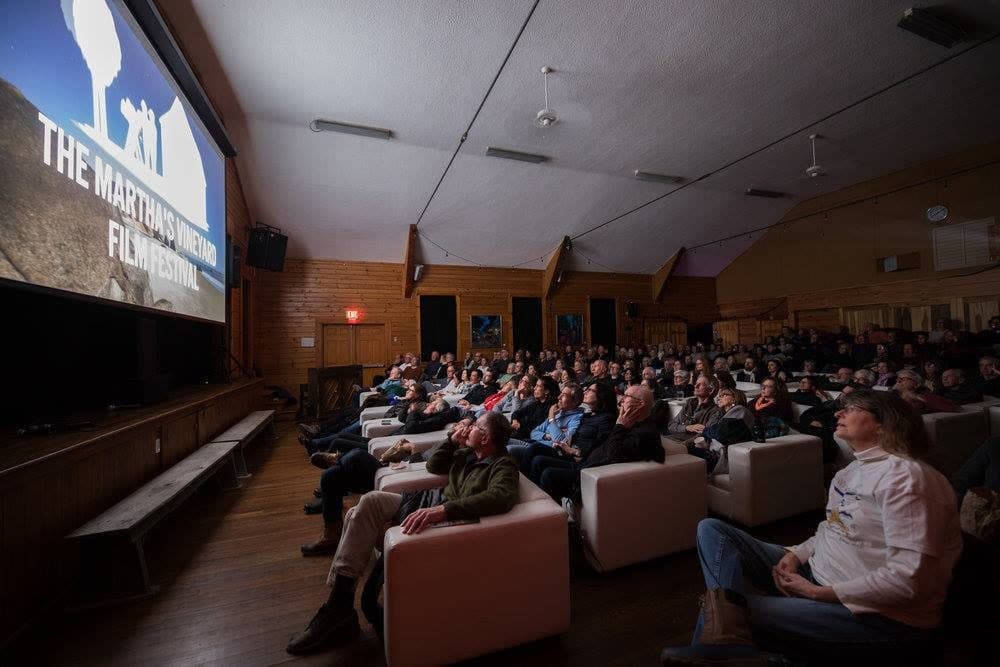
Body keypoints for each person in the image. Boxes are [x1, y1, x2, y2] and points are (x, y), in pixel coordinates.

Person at [660, 390, 963, 665]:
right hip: (816, 575)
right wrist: (796, 556)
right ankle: (729, 644)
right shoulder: (855, 469)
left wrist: (820, 593)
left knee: (729, 610)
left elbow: (909, 581)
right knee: (713, 531)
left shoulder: (908, 478)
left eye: (850, 409)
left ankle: (728, 644)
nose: (836, 414)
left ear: (883, 424)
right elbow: (830, 529)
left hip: (876, 617)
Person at [287, 412, 519, 655]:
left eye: (475, 426)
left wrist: (444, 510)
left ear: (486, 437)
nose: (469, 427)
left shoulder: (503, 464)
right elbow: (434, 465)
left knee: (360, 513)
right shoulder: (466, 453)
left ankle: (337, 610)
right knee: (368, 503)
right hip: (424, 500)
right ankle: (340, 604)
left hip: (441, 513)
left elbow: (500, 497)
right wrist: (451, 441)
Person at [537, 385, 662, 502]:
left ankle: (556, 518)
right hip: (585, 463)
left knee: (548, 474)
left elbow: (613, 453)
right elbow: (601, 444)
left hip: (591, 474)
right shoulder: (629, 423)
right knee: (539, 460)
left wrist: (620, 425)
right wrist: (574, 450)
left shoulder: (645, 431)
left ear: (640, 404)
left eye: (627, 397)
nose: (621, 400)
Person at [688, 388, 754, 475]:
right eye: (719, 396)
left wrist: (705, 429)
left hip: (725, 457)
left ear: (734, 398)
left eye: (724, 395)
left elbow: (720, 433)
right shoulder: (725, 414)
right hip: (717, 452)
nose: (719, 398)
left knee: (687, 451)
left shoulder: (740, 410)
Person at [665, 376, 722, 444]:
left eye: (701, 384)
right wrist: (686, 428)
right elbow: (671, 426)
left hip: (687, 445)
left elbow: (703, 436)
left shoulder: (716, 411)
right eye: (696, 383)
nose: (695, 386)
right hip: (672, 439)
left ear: (711, 390)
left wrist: (681, 445)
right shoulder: (689, 403)